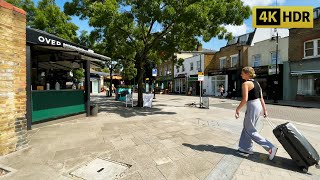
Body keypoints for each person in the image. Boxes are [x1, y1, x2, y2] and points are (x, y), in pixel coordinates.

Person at [235, 67, 278, 160]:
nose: (241, 75)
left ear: (247, 74)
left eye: (242, 73)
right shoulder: (257, 83)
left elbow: (245, 99)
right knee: (248, 127)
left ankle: (270, 147)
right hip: (258, 105)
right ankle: (246, 148)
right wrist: (264, 110)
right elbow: (261, 98)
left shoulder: (245, 84)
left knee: (250, 130)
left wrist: (237, 109)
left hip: (252, 105)